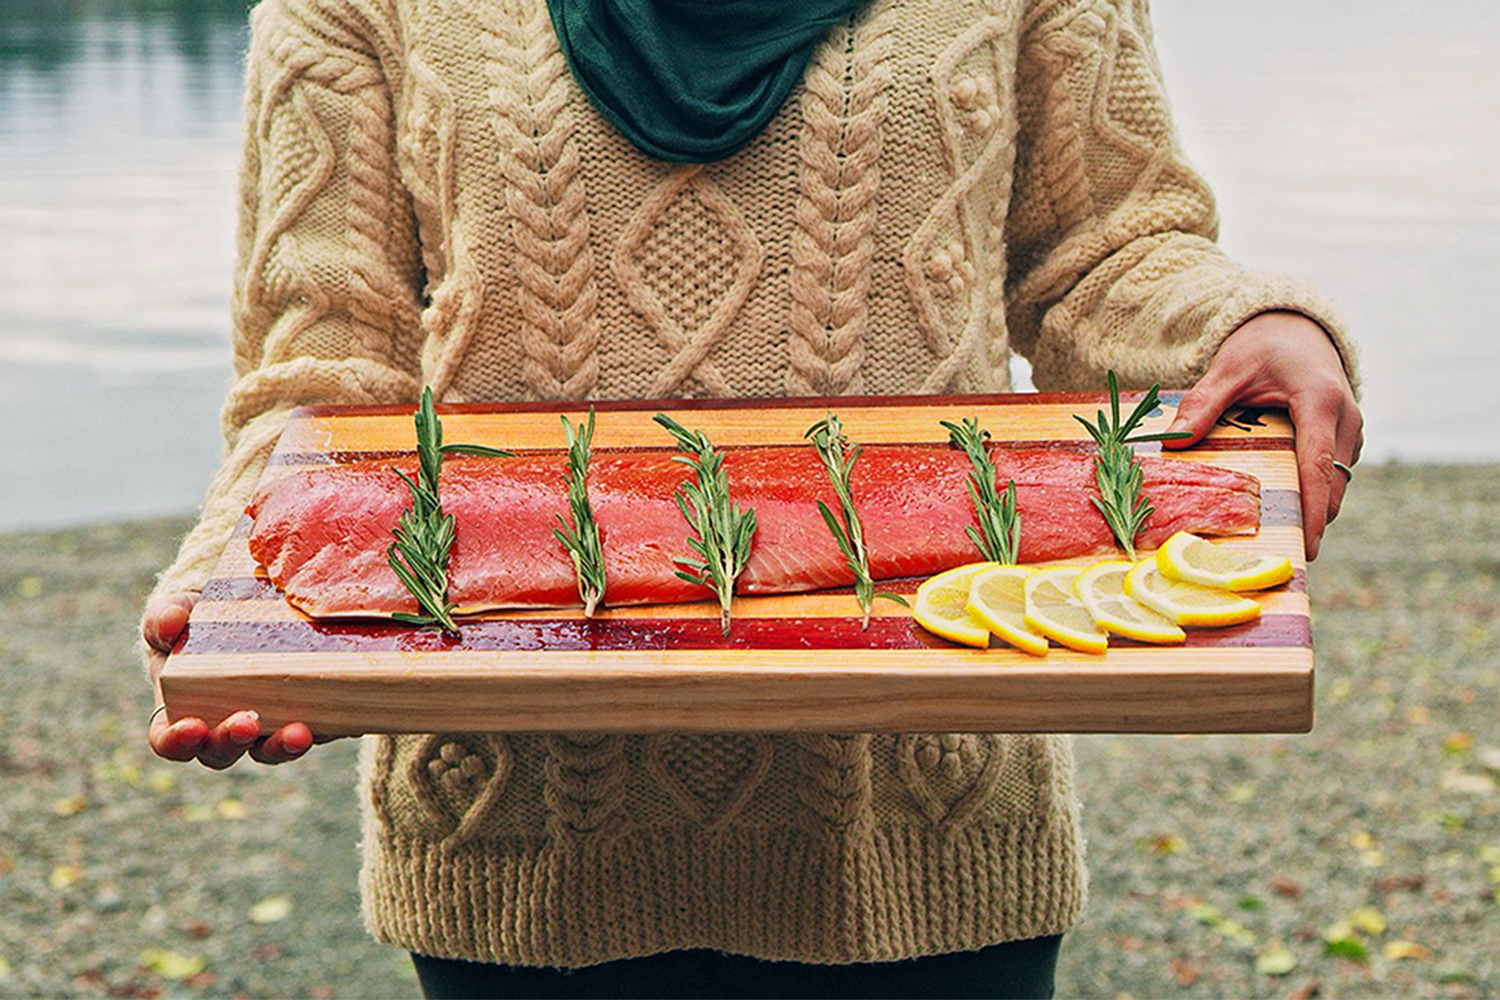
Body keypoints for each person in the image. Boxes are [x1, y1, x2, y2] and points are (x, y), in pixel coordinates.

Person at [143, 0, 1362, 996]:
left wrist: (1248, 320)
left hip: (918, 827)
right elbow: (320, 374)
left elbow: (1103, 250)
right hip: (523, 832)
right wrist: (238, 589)